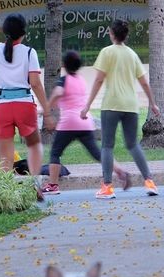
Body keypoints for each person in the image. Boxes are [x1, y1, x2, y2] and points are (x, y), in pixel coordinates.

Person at [81, 19, 161, 199]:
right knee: (133, 144)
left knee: (107, 146)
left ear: (111, 34)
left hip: (111, 104)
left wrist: (87, 105)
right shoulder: (132, 54)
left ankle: (108, 187)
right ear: (125, 35)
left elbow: (99, 80)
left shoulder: (106, 52)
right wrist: (152, 103)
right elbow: (144, 83)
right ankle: (150, 182)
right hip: (131, 105)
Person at [40, 50, 130, 195]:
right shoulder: (81, 80)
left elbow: (58, 93)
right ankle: (120, 171)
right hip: (85, 121)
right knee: (97, 153)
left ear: (64, 65)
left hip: (69, 123)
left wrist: (47, 108)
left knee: (55, 152)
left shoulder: (64, 80)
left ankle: (53, 185)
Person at [0, 14, 47, 185]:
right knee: (34, 145)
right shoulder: (30, 52)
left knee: (5, 156)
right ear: (23, 33)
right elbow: (35, 84)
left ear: (4, 31)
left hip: (0, 107)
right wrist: (47, 108)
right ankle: (35, 185)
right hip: (25, 105)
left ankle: (5, 192)